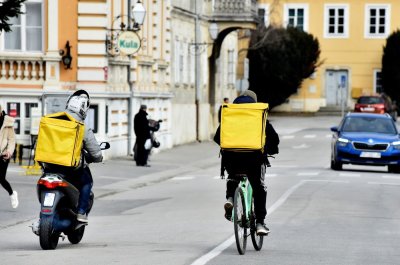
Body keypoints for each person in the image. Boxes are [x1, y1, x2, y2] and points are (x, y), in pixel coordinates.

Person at [214, 90, 280, 236]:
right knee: (259, 188)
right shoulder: (258, 116)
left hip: (232, 158)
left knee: (233, 175)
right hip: (254, 159)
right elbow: (274, 139)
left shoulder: (231, 116)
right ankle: (260, 223)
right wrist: (269, 150)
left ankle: (230, 198)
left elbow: (218, 137)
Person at [64, 90, 103, 222]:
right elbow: (96, 153)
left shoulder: (52, 120)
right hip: (72, 168)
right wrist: (98, 158)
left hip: (49, 165)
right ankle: (81, 212)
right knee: (86, 183)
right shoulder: (82, 127)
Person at [0, 105, 18, 208]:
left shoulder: (7, 122)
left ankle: (12, 194)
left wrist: (9, 151)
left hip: (4, 154)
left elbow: (12, 139)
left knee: (1, 178)